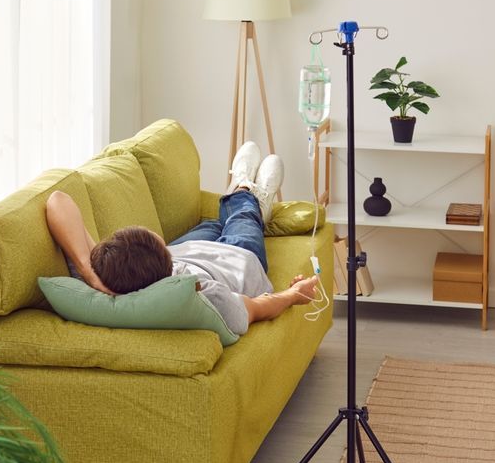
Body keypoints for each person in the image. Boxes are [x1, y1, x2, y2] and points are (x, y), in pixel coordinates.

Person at [44, 141, 320, 335]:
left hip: (186, 250)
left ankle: (241, 194)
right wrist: (292, 294)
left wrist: (88, 272)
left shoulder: (106, 273)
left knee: (213, 222)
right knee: (242, 218)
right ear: (164, 264)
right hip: (237, 261)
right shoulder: (204, 296)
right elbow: (257, 308)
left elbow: (58, 200)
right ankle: (248, 189)